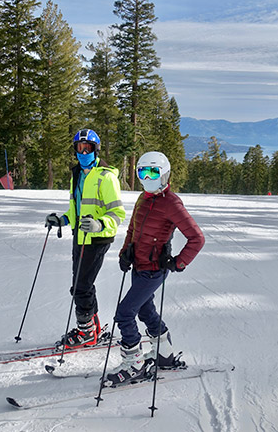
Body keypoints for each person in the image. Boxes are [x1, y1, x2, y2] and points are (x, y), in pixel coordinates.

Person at [104, 151, 205, 387]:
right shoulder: (143, 198)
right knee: (144, 311)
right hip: (138, 266)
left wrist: (178, 262)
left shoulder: (171, 203)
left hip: (154, 268)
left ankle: (135, 364)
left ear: (164, 174)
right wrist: (125, 252)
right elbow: (133, 228)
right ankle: (164, 354)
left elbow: (197, 238)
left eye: (153, 172)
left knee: (124, 313)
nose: (147, 177)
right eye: (142, 172)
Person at [45, 129, 125, 349]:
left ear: (95, 149)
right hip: (79, 237)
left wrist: (100, 225)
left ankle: (86, 332)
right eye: (79, 148)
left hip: (97, 239)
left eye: (87, 148)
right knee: (82, 284)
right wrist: (61, 220)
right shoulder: (78, 174)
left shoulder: (106, 177)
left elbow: (117, 215)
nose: (83, 152)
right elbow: (76, 212)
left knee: (81, 286)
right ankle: (93, 327)